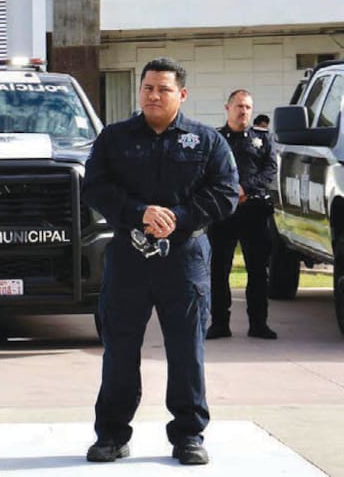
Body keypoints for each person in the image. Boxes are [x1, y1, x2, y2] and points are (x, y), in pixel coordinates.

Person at [83, 57, 238, 466]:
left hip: (184, 258)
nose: (154, 95)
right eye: (148, 87)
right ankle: (112, 435)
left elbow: (225, 192)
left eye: (163, 89)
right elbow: (94, 186)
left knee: (186, 350)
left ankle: (188, 435)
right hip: (128, 257)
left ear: (181, 94)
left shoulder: (206, 141)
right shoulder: (115, 138)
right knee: (119, 348)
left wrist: (177, 218)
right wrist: (139, 212)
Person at [207, 90, 278, 340]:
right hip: (223, 214)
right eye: (239, 106)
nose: (243, 111)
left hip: (254, 213)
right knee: (218, 270)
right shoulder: (215, 139)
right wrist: (229, 190)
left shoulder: (263, 139)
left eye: (248, 107)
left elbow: (269, 170)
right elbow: (207, 171)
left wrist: (244, 188)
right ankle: (219, 324)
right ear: (227, 108)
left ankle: (259, 324)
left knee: (258, 271)